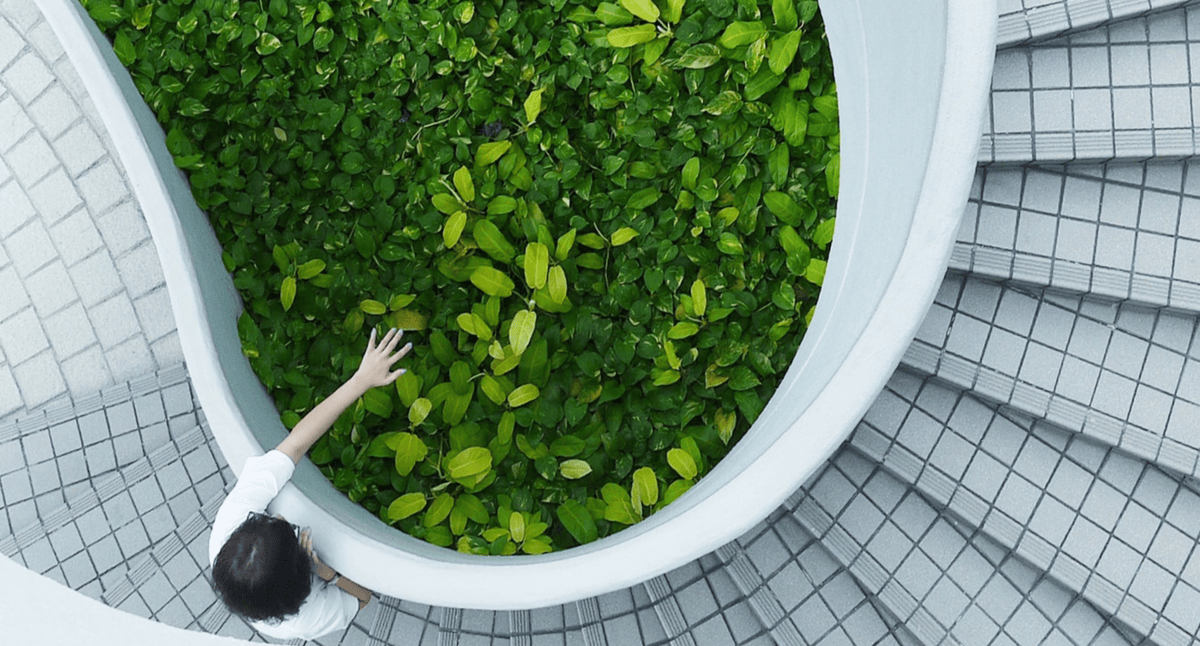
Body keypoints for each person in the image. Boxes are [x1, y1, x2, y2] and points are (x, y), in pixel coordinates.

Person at [208, 328, 413, 640]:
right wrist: (327, 573)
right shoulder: (305, 619)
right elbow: (362, 598)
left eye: (264, 520)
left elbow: (293, 447)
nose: (277, 516)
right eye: (282, 527)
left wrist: (360, 381)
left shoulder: (228, 531)